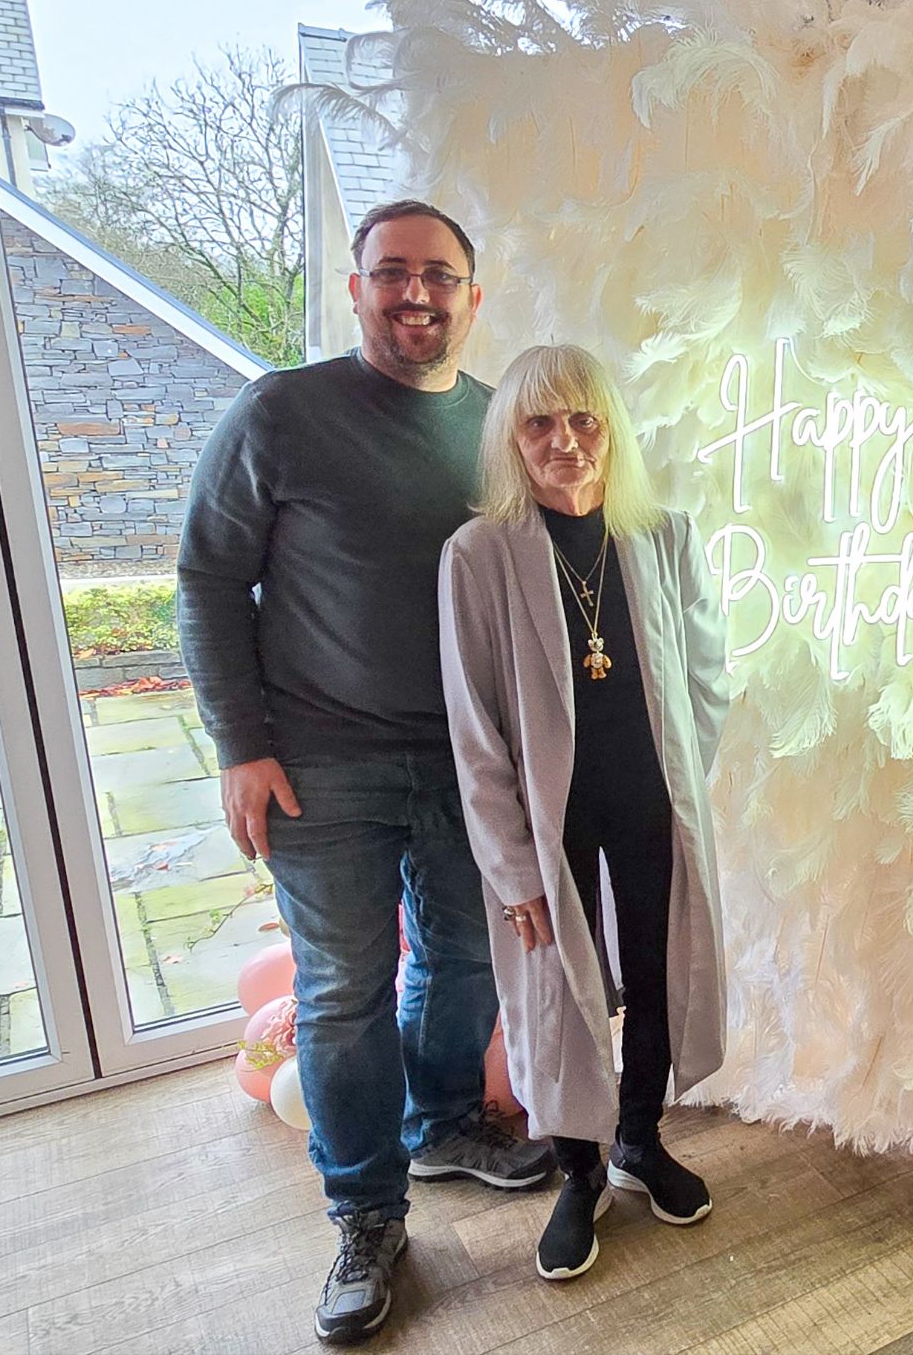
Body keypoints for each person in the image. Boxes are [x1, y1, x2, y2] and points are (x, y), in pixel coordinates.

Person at [177, 200, 552, 1346]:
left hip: (465, 759)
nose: (415, 294)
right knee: (341, 992)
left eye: (438, 275)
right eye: (391, 272)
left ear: (472, 297)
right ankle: (366, 1214)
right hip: (318, 764)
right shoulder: (280, 412)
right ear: (354, 287)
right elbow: (204, 576)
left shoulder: (498, 425)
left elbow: (534, 580)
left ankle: (443, 1120)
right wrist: (240, 742)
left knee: (458, 958)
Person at [438, 343, 731, 1282]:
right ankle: (578, 1169)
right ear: (512, 440)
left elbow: (706, 676)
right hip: (547, 817)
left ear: (612, 429)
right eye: (539, 423)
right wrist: (511, 866)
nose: (565, 441)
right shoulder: (480, 554)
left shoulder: (661, 533)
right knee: (561, 987)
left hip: (650, 799)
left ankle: (640, 1137)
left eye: (584, 419)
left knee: (653, 970)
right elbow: (474, 728)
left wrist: (685, 770)